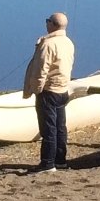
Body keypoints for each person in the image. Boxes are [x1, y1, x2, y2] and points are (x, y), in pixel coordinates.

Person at [23, 12, 75, 173]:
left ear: (53, 24)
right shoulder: (68, 43)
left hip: (49, 91)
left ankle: (47, 163)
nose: (46, 23)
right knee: (60, 127)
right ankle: (60, 160)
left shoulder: (48, 45)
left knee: (48, 128)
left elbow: (41, 70)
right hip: (62, 89)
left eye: (48, 21)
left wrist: (37, 90)